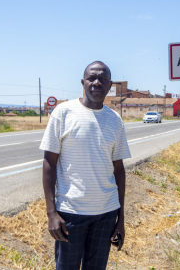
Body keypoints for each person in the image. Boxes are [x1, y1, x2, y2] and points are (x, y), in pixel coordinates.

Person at [40, 61, 131, 270]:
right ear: (83, 82)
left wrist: (120, 219)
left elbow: (119, 170)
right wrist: (51, 213)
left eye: (103, 79)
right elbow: (48, 164)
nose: (97, 82)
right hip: (70, 214)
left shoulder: (115, 120)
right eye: (92, 78)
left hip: (106, 215)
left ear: (110, 86)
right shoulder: (63, 113)